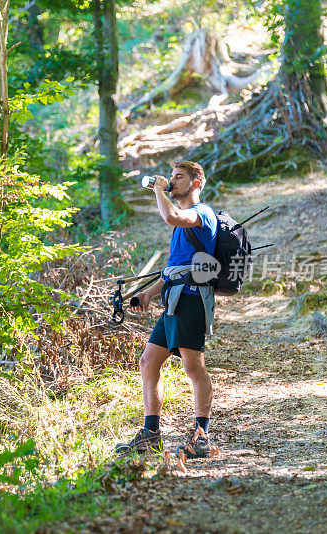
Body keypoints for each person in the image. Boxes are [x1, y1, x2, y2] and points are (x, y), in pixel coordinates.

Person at [115, 160, 218, 460]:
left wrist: (159, 190)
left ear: (195, 184)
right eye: (170, 177)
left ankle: (201, 435)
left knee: (193, 367)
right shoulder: (180, 224)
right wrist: (147, 294)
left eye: (179, 177)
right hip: (173, 300)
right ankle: (151, 434)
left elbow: (171, 216)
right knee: (148, 361)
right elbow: (174, 269)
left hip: (192, 300)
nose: (172, 181)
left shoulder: (202, 214)